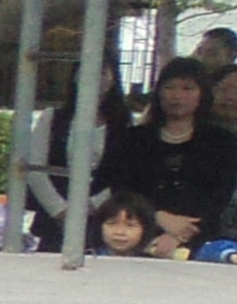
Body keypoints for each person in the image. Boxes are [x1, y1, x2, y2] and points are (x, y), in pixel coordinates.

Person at [91, 56, 234, 243]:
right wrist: (157, 216)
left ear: (202, 94)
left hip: (201, 241)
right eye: (169, 87)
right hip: (133, 237)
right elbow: (118, 186)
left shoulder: (222, 142)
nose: (177, 96)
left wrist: (176, 237)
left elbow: (217, 199)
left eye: (187, 88)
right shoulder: (132, 139)